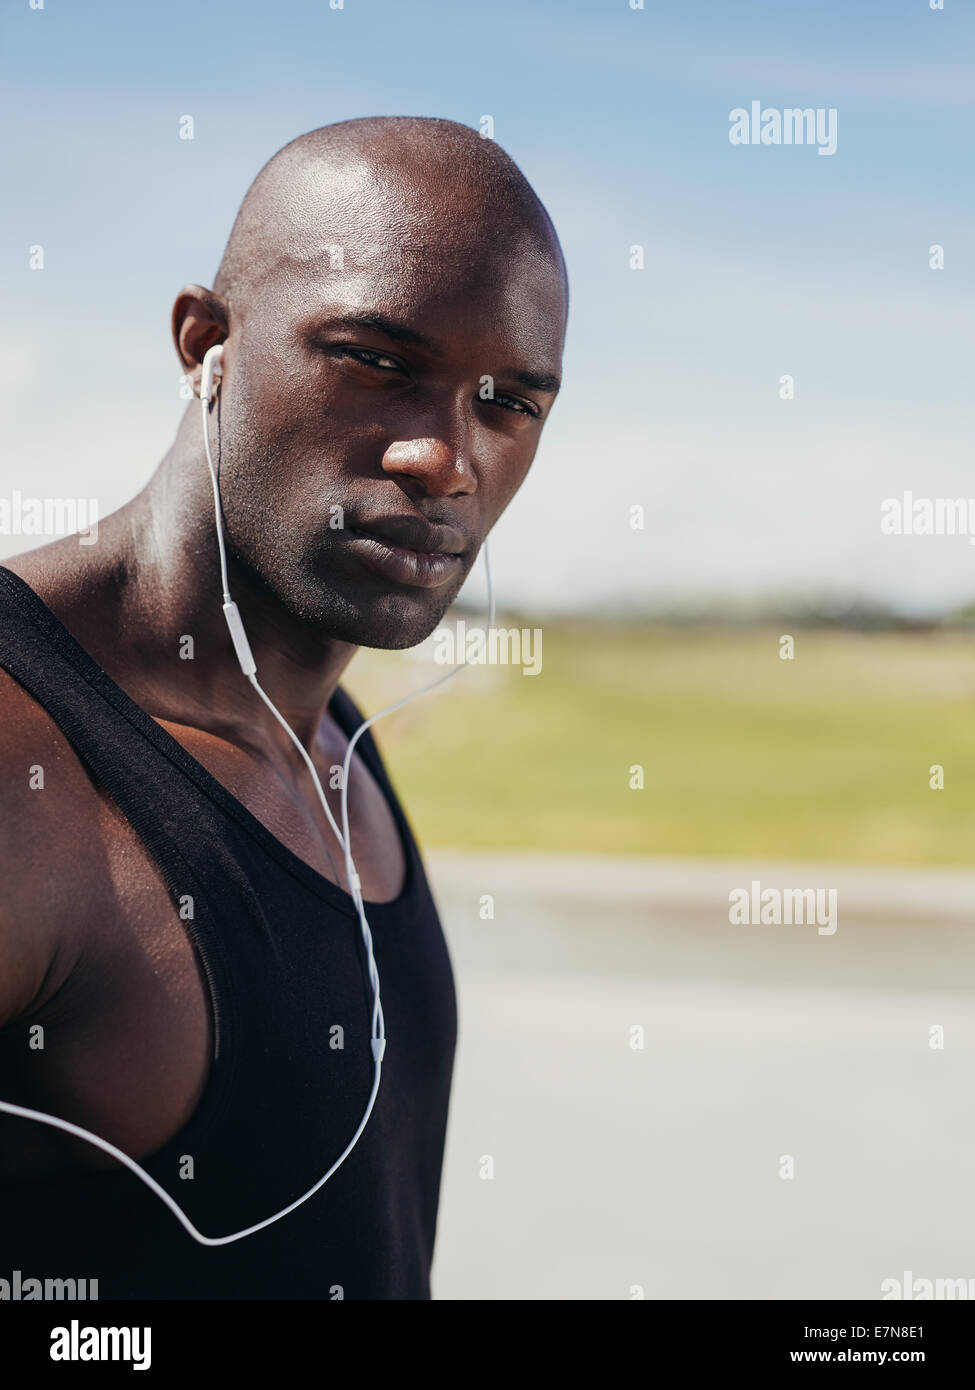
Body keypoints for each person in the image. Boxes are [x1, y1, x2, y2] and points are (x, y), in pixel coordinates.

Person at [0, 115, 568, 1299]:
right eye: (377, 359)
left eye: (509, 399)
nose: (444, 456)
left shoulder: (329, 735)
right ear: (206, 340)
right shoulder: (24, 757)